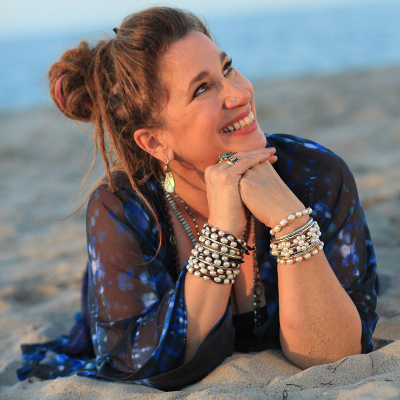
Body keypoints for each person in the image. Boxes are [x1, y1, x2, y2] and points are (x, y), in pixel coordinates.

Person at [17, 7, 379, 391]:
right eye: (202, 88)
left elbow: (335, 354)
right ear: (155, 141)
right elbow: (135, 364)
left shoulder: (317, 175)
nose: (240, 93)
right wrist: (223, 231)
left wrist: (290, 221)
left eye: (227, 68)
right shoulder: (123, 208)